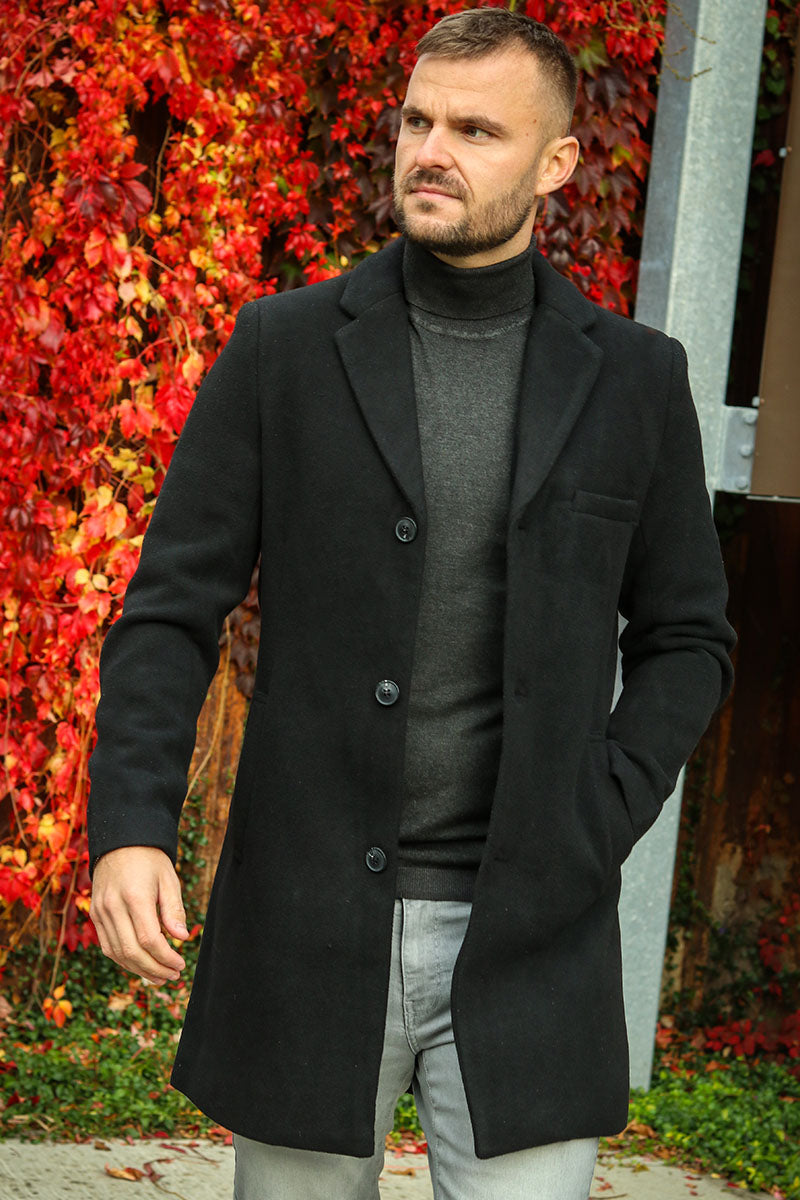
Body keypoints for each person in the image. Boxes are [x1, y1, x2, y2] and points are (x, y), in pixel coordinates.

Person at [88, 8, 735, 1199]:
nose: (430, 152)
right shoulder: (282, 349)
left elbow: (687, 638)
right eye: (417, 121)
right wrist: (130, 825)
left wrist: (595, 812)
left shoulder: (635, 382)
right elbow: (169, 610)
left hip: (533, 936)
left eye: (476, 131)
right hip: (307, 922)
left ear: (555, 163)